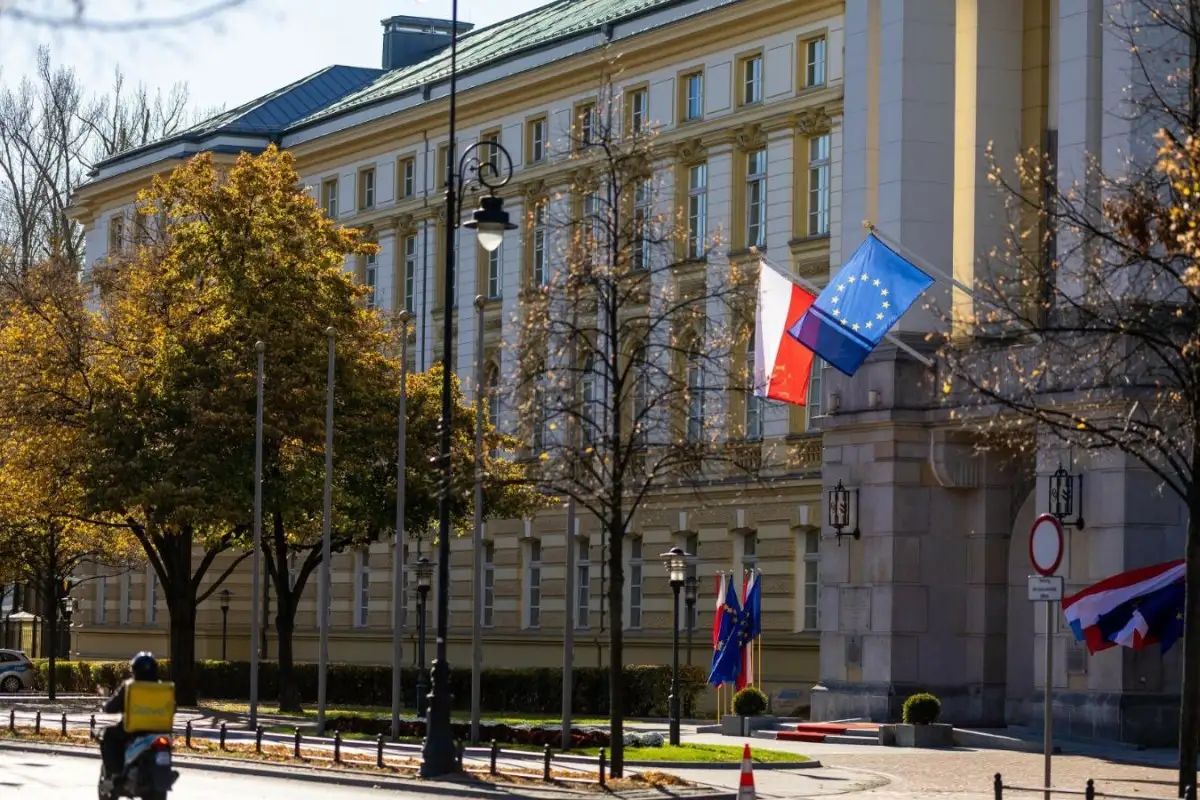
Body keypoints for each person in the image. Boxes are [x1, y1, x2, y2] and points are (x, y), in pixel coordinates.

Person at [100, 652, 161, 780]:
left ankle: (115, 770)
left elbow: (112, 706)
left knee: (108, 734)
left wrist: (106, 707)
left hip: (132, 730)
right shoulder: (163, 687)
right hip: (159, 730)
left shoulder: (130, 687)